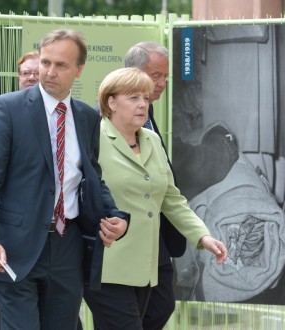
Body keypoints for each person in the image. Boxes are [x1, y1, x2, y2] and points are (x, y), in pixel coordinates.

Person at [0, 29, 129, 330]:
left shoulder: (87, 117)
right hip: (13, 247)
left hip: (67, 246)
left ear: (79, 70)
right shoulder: (7, 108)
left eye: (61, 65)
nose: (50, 72)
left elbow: (91, 178)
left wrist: (116, 217)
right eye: (46, 62)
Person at [83, 67, 228, 329]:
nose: (143, 105)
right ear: (111, 101)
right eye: (133, 98)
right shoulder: (94, 137)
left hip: (146, 269)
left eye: (146, 98)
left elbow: (171, 198)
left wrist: (202, 236)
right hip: (107, 266)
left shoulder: (150, 139)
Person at [124, 41, 187, 330]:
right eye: (156, 75)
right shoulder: (114, 120)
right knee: (127, 314)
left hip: (157, 235)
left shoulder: (148, 115)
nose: (162, 83)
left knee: (160, 305)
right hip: (126, 236)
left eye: (166, 77)